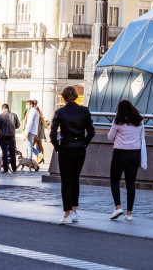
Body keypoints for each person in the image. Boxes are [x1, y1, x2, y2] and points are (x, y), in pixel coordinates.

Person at [50, 87, 94, 225]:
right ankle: (74, 211)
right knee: (75, 179)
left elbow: (52, 133)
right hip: (80, 148)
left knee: (66, 180)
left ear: (63, 97)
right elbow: (91, 132)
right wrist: (84, 143)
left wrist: (57, 146)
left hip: (66, 147)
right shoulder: (84, 111)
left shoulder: (60, 112)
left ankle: (67, 212)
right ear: (75, 96)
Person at [107, 100, 146, 221]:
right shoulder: (139, 121)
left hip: (120, 153)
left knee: (114, 180)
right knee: (131, 183)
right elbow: (141, 137)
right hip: (135, 154)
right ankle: (129, 214)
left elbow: (110, 137)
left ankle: (118, 206)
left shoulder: (118, 121)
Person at [0, 103, 19, 174]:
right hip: (11, 136)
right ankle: (14, 169)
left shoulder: (0, 116)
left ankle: (5, 169)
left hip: (3, 136)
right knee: (12, 153)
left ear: (2, 108)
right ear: (8, 108)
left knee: (4, 152)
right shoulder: (14, 115)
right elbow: (17, 125)